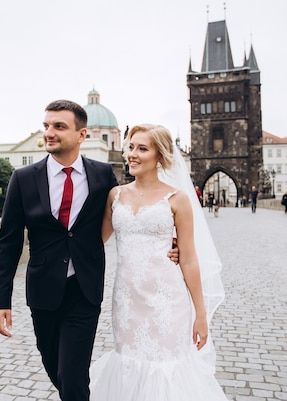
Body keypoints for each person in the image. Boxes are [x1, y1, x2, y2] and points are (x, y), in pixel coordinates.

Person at [0, 100, 178, 401]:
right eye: (47, 126)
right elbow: (7, 243)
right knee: (56, 370)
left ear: (81, 135)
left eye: (59, 126)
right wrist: (0, 300)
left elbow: (130, 211)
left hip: (84, 290)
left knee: (74, 376)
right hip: (43, 292)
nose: (49, 133)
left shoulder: (102, 175)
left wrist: (171, 242)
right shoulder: (23, 180)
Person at [90, 124, 229, 401]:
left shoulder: (178, 199)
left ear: (160, 156)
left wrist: (200, 314)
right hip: (127, 301)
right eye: (131, 147)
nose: (133, 154)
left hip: (167, 300)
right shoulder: (115, 195)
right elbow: (94, 243)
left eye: (142, 148)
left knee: (167, 369)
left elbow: (188, 259)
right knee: (129, 360)